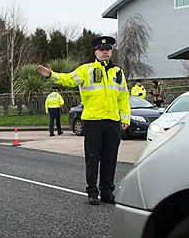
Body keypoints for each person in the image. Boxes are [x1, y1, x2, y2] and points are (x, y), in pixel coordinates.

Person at [37, 36, 130, 205]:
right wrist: (51, 75)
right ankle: (92, 192)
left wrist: (125, 118)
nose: (105, 52)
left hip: (112, 122)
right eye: (102, 50)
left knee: (110, 158)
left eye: (108, 49)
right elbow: (68, 79)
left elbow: (124, 97)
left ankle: (107, 191)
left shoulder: (118, 72)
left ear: (111, 51)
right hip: (93, 121)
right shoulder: (86, 70)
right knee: (93, 158)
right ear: (96, 52)